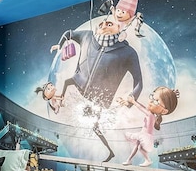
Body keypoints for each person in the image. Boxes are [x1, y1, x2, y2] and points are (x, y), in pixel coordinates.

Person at [51, 14, 144, 162]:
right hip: (78, 84)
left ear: (119, 28)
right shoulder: (88, 37)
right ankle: (58, 105)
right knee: (68, 82)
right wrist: (60, 44)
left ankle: (110, 152)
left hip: (100, 98)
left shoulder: (128, 52)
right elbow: (69, 33)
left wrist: (132, 97)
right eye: (101, 24)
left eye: (109, 24)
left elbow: (138, 81)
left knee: (95, 127)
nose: (103, 26)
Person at [119, 86, 179, 167]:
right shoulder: (151, 115)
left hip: (145, 136)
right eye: (152, 97)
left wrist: (133, 101)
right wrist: (134, 101)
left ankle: (146, 160)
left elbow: (141, 108)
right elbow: (143, 107)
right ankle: (129, 160)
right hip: (143, 134)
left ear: (164, 111)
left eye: (156, 101)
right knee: (137, 147)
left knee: (139, 147)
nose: (151, 101)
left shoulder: (151, 116)